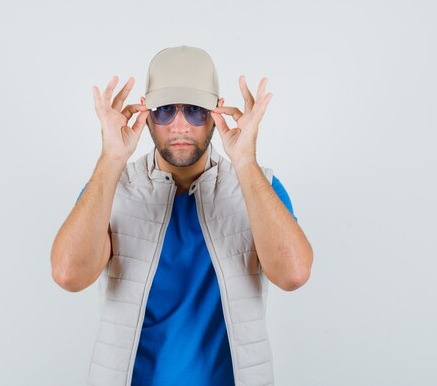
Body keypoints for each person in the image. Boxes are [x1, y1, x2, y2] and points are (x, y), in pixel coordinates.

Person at [50, 45, 314, 386]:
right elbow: (69, 275)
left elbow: (293, 274)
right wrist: (110, 159)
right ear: (145, 114)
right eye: (164, 111)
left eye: (194, 110)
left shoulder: (258, 186)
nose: (179, 126)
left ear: (217, 113)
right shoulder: (111, 188)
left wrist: (245, 162)